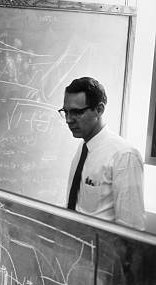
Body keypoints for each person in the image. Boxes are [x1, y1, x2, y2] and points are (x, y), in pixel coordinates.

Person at [59, 77, 145, 230]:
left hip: (102, 251)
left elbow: (132, 229)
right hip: (75, 245)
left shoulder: (124, 155)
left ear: (99, 109)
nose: (68, 120)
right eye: (65, 112)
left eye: (77, 112)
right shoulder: (84, 147)